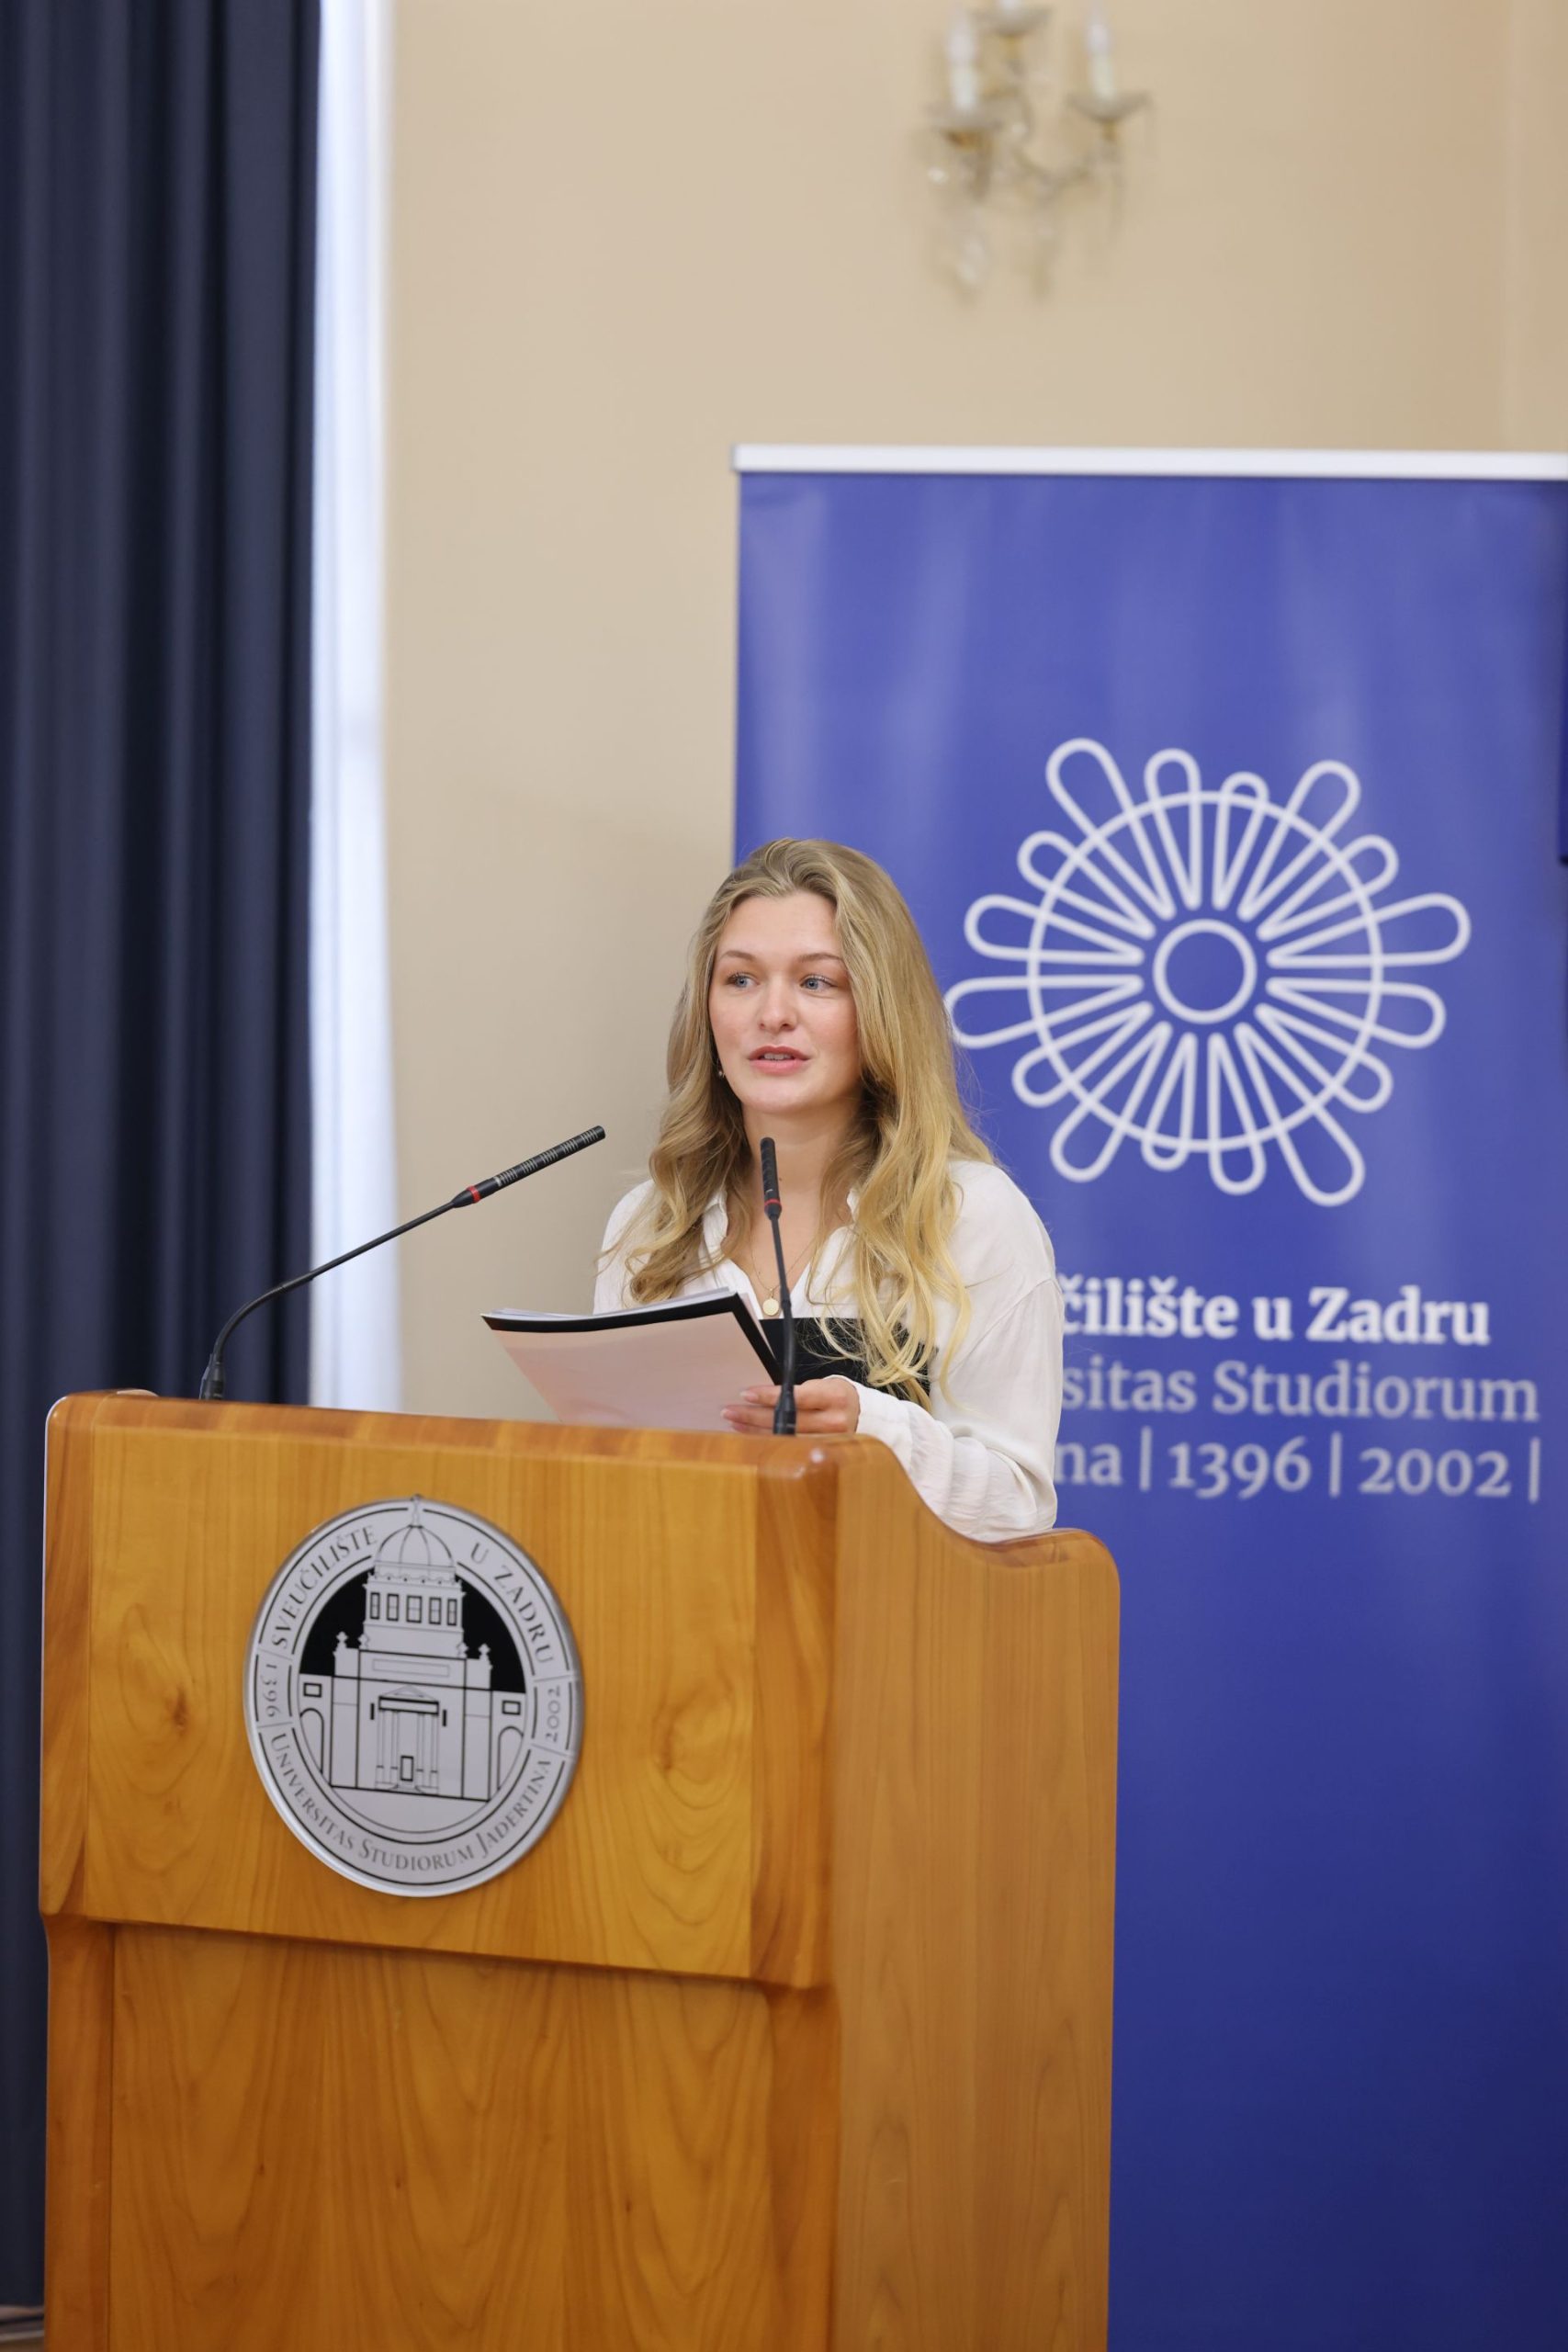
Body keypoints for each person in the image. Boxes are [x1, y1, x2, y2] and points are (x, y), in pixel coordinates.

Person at [594, 838, 1063, 1542]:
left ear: (880, 1011)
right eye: (740, 979)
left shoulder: (969, 1215)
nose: (772, 1013)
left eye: (816, 982)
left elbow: (1016, 1507)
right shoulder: (648, 1226)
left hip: (892, 1608)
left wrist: (873, 1432)